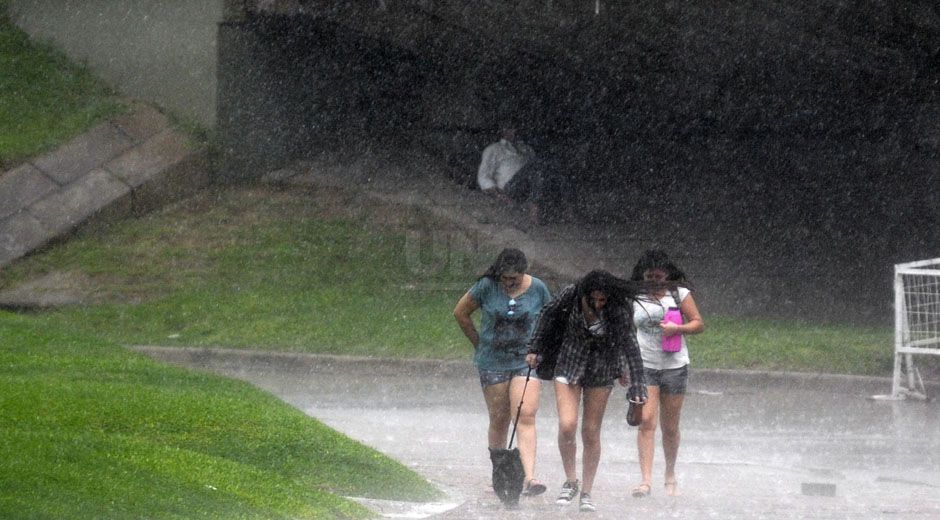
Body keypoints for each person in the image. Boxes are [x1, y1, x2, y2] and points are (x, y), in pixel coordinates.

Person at [525, 270, 648, 513]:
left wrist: (638, 384)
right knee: (567, 424)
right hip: (568, 364)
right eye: (595, 299)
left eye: (604, 300)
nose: (599, 304)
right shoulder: (572, 294)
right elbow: (547, 314)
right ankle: (570, 480)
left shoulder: (619, 309)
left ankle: (586, 491)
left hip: (600, 371)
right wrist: (534, 347)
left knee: (591, 432)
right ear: (586, 294)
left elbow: (630, 345)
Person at [453, 248, 554, 498]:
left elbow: (551, 318)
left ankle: (529, 477)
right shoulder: (486, 287)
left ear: (524, 273)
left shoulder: (538, 288)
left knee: (525, 414)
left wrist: (542, 348)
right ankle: (500, 473)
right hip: (492, 362)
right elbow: (460, 313)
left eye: (514, 279)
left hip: (525, 361)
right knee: (499, 419)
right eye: (505, 279)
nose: (509, 283)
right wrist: (478, 342)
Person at [628, 250, 704, 498]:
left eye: (658, 276)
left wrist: (678, 328)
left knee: (670, 427)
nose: (653, 281)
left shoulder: (679, 294)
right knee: (646, 422)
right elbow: (626, 329)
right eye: (649, 276)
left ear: (667, 275)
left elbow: (698, 323)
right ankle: (645, 481)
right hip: (645, 366)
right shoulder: (636, 296)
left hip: (674, 366)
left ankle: (670, 474)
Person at [476, 124, 572, 224]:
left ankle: (567, 207)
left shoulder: (526, 148)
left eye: (516, 129)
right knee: (538, 163)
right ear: (503, 130)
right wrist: (498, 195)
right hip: (511, 188)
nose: (515, 131)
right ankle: (534, 210)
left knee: (551, 164)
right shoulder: (494, 149)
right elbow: (483, 176)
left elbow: (540, 173)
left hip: (530, 187)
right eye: (511, 128)